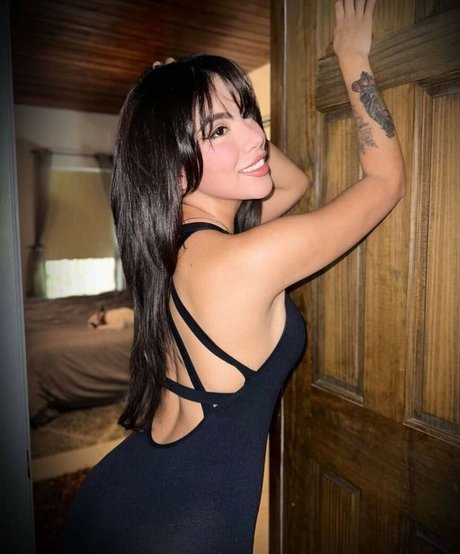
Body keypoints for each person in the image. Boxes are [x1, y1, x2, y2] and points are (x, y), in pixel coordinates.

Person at [64, 1, 404, 552]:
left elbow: (291, 183)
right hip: (181, 529)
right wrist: (352, 55)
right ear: (175, 169)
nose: (253, 137)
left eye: (250, 116)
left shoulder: (174, 244)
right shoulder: (244, 259)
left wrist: (203, 103)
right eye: (218, 130)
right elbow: (385, 181)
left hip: (122, 487)